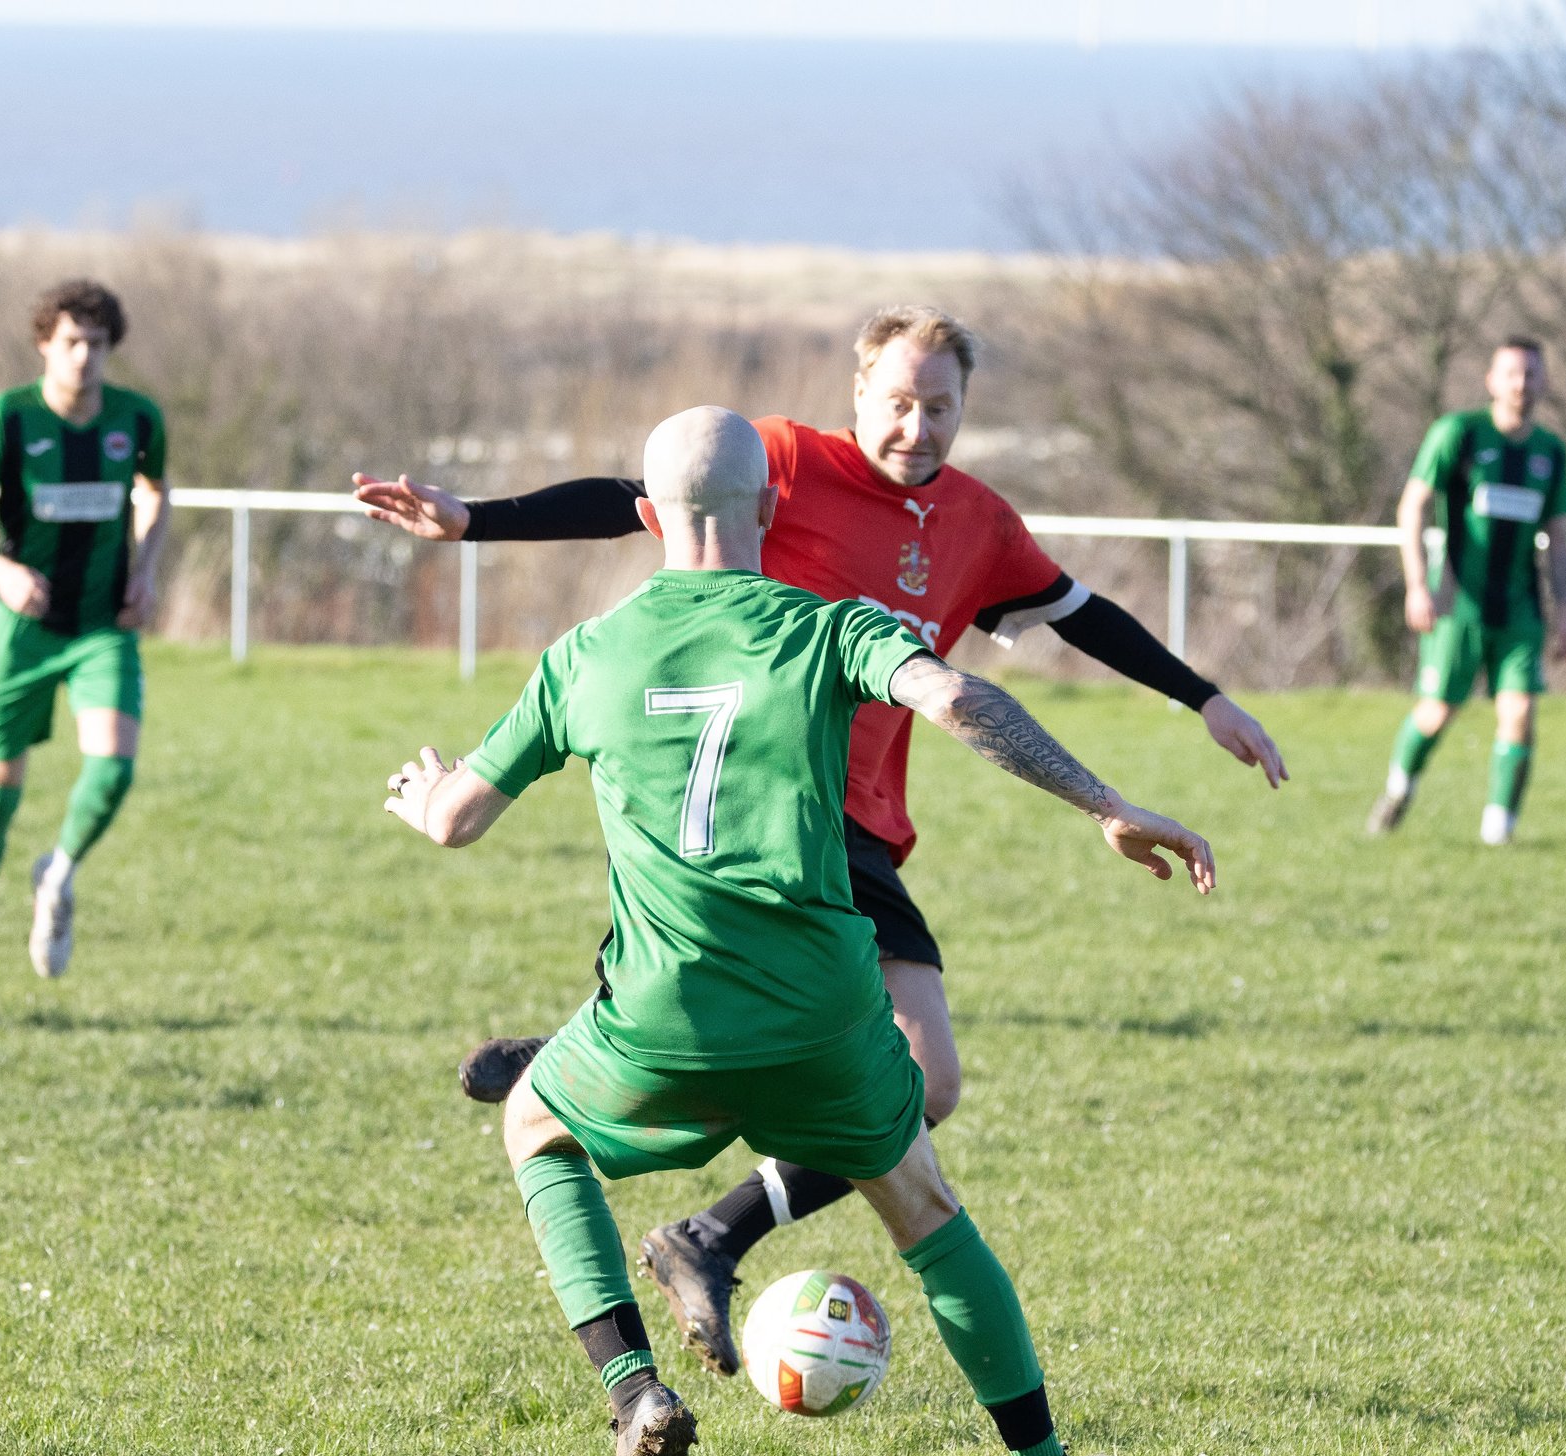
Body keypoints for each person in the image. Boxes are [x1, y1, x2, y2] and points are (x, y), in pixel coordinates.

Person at [354, 305, 1283, 1374]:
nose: (917, 426)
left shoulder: (981, 522)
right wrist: (475, 521)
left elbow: (1081, 614)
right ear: (859, 397)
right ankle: (701, 1202)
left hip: (869, 825)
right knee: (919, 1087)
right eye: (897, 402)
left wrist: (1202, 695)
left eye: (940, 407)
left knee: (926, 1087)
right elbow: (638, 499)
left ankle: (692, 1199)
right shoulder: (786, 461)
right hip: (795, 808)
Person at [0, 280, 169, 1009]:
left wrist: (147, 571)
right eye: (70, 343)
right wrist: (1, 573)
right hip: (21, 634)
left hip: (100, 628)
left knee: (115, 769)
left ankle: (56, 876)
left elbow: (155, 491)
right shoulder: (6, 420)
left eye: (96, 345)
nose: (83, 357)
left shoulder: (137, 419)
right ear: (44, 346)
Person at [1365, 336, 1566, 846]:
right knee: (1436, 714)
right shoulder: (1458, 433)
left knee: (1520, 713)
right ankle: (1398, 790)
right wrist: (1417, 585)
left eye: (1531, 373)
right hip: (1457, 604)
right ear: (1491, 380)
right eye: (1512, 373)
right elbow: (1412, 505)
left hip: (1521, 607)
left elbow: (1561, 537)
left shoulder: (1552, 452)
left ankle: (1498, 833)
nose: (1522, 383)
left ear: (1545, 381)